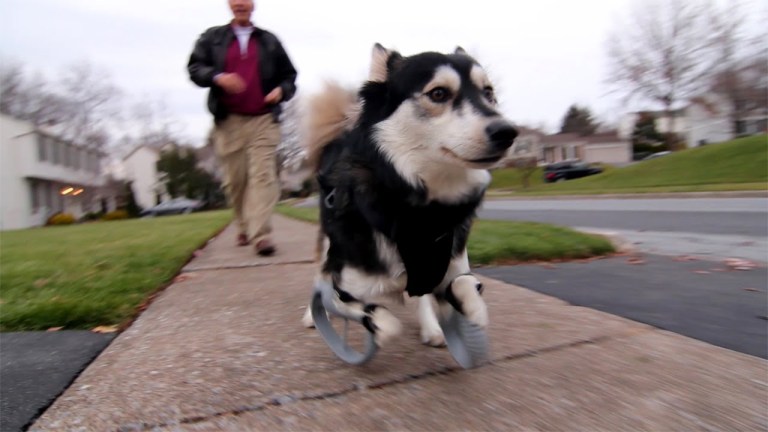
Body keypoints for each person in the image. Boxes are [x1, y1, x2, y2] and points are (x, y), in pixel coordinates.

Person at [188, 0, 297, 256]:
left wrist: (281, 91)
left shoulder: (269, 41)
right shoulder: (212, 38)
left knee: (263, 176)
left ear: (253, 5)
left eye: (245, 0)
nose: (240, 4)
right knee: (236, 181)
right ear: (229, 4)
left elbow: (290, 77)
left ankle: (261, 235)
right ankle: (243, 224)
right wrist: (218, 77)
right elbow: (195, 68)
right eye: (235, 0)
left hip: (263, 119)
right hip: (229, 120)